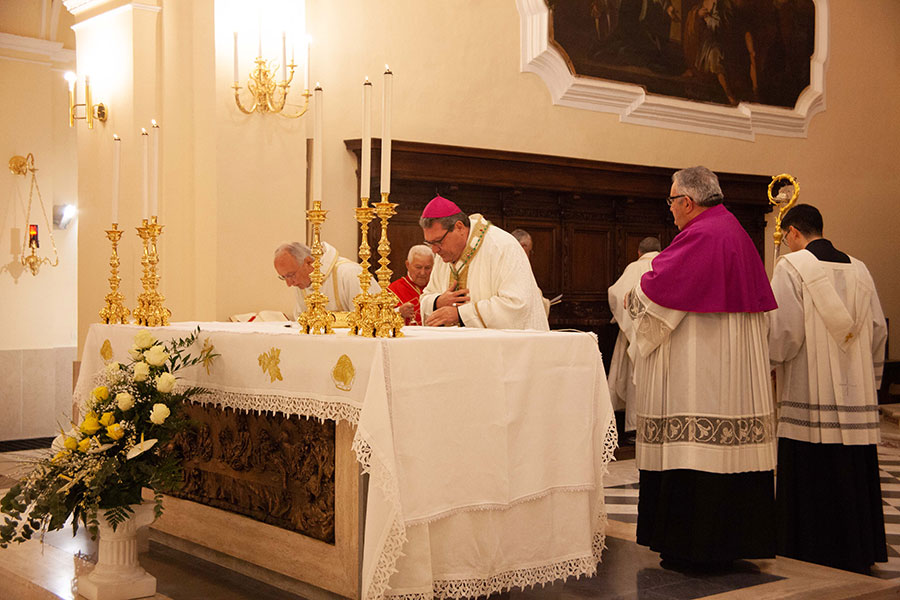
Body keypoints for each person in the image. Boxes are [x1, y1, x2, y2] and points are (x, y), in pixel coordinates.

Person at [627, 166, 777, 567]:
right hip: (730, 371)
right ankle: (731, 544)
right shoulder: (732, 230)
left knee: (696, 449)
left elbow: (656, 294)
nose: (671, 209)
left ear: (688, 202)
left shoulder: (699, 235)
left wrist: (633, 297)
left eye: (672, 201)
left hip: (701, 369)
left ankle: (695, 547)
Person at [768, 203, 887, 574]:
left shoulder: (791, 267)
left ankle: (809, 547)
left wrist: (770, 360)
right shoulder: (860, 268)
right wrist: (866, 375)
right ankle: (856, 547)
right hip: (857, 391)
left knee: (811, 465)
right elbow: (877, 329)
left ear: (792, 233)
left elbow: (784, 332)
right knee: (851, 467)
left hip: (810, 388)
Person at [418, 196, 549, 330]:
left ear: (459, 227)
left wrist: (461, 315)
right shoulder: (443, 255)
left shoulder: (502, 246)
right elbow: (426, 296)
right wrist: (437, 302)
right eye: (430, 243)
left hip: (502, 348)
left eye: (438, 241)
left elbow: (516, 304)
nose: (434, 250)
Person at [607, 237, 661, 441]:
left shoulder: (634, 268)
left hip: (636, 335)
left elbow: (615, 294)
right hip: (663, 333)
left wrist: (625, 322)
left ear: (639, 252)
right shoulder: (666, 264)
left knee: (634, 380)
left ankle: (635, 428)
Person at [273, 241, 377, 318]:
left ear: (308, 262)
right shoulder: (301, 284)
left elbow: (368, 319)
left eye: (291, 275)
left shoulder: (349, 273)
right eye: (284, 277)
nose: (289, 283)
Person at [389, 245, 434, 325]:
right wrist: (399, 312)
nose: (423, 273)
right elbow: (382, 318)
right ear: (407, 265)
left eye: (427, 268)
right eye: (418, 267)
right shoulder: (393, 290)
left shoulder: (436, 286)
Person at [511, 228, 551, 317]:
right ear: (522, 246)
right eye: (529, 251)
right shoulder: (518, 266)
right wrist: (545, 303)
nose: (529, 255)